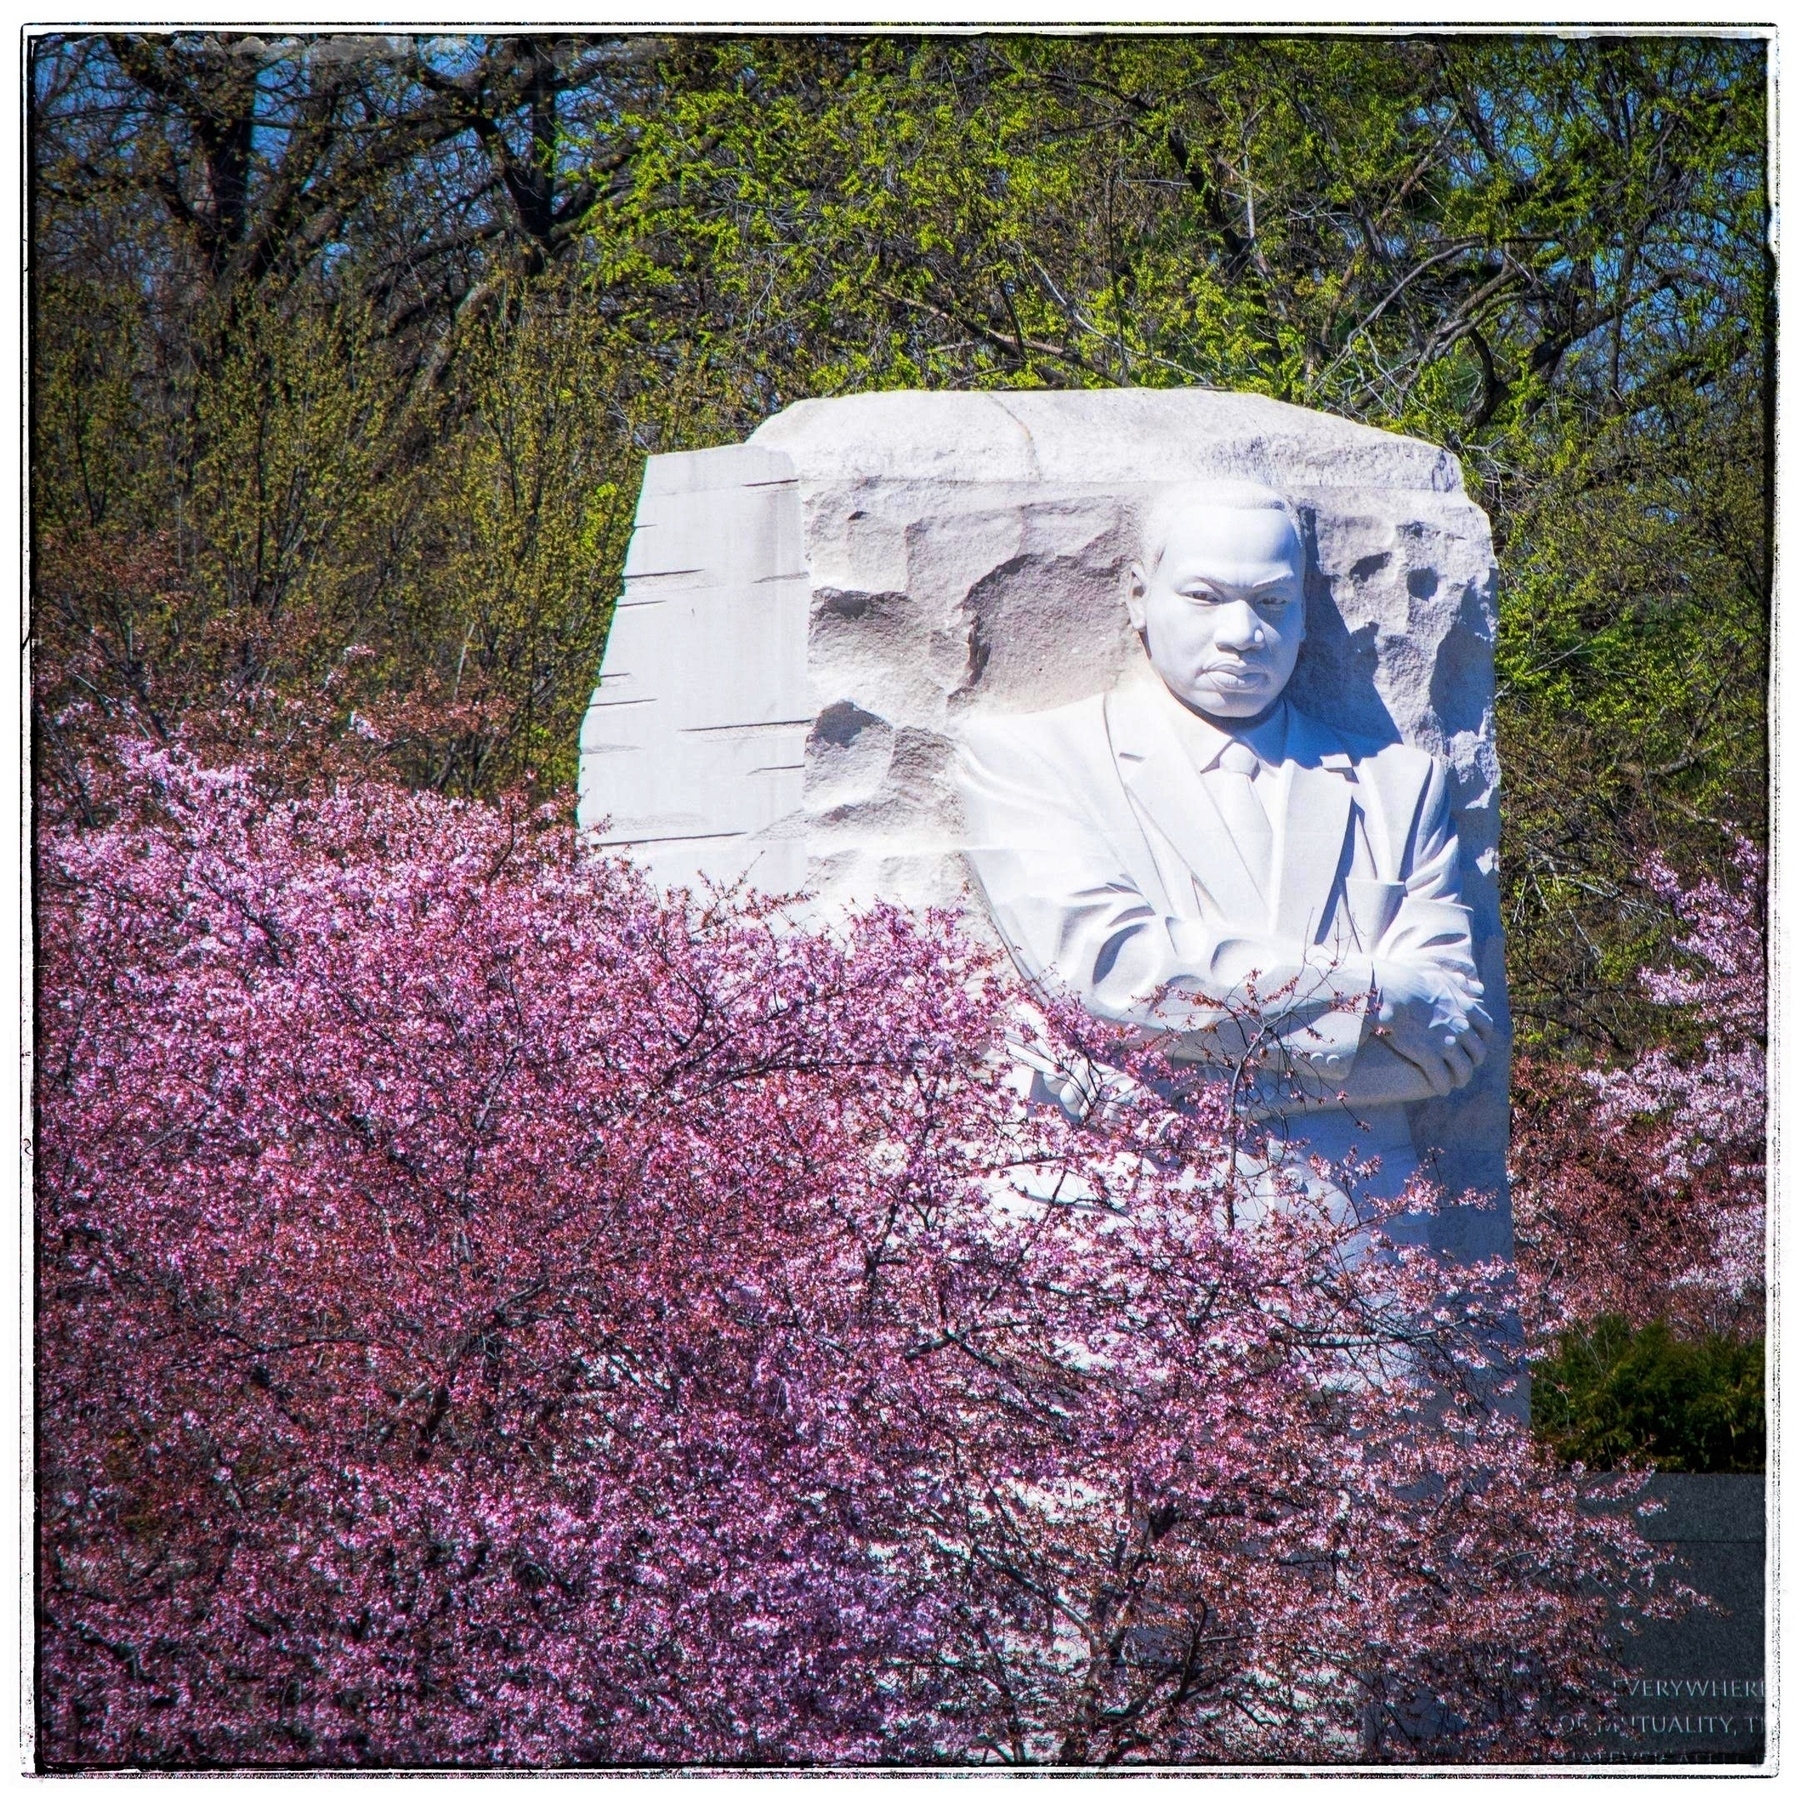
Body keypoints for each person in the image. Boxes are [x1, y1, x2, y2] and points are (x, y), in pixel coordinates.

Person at [955, 479, 1494, 1211]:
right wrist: (1378, 998)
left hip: (1363, 1242)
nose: (1242, 633)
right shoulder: (1033, 761)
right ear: (1139, 597)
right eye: (1205, 597)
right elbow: (1113, 974)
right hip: (1125, 1231)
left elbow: (1448, 1050)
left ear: (1305, 611)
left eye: (1272, 602)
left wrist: (1153, 1065)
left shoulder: (1400, 786)